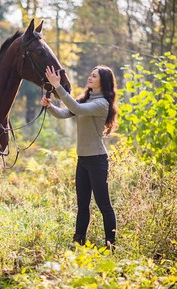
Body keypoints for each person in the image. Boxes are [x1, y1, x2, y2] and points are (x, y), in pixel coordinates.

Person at [41, 65, 118, 249]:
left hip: (97, 160)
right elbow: (63, 113)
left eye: (94, 76)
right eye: (90, 74)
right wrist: (50, 106)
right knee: (82, 205)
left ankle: (111, 245)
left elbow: (74, 107)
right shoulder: (87, 99)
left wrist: (57, 85)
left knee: (103, 205)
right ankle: (78, 243)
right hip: (83, 159)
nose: (89, 78)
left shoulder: (102, 104)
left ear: (103, 82)